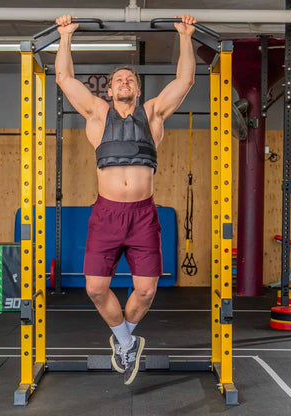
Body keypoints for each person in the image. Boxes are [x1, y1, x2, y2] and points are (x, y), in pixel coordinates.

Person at [55, 13, 196, 385]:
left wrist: (185, 36)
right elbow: (65, 78)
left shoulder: (152, 114)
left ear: (136, 88)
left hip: (143, 215)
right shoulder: (97, 115)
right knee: (95, 288)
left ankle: (125, 339)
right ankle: (124, 341)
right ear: (110, 89)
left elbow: (184, 80)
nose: (124, 82)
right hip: (106, 214)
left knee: (147, 290)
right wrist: (65, 36)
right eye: (118, 79)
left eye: (130, 79)